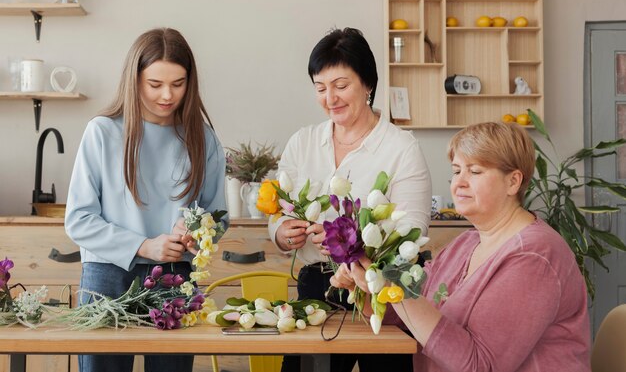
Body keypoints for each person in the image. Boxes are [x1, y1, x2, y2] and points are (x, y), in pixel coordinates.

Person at [331, 121, 591, 372]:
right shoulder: (466, 244)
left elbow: (480, 365)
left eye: (475, 171)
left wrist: (393, 288)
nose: (459, 182)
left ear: (513, 182)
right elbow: (406, 317)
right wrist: (367, 288)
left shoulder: (535, 256)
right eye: (456, 171)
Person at [268, 27, 432, 372]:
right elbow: (278, 214)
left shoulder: (401, 148)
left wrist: (347, 247)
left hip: (380, 291)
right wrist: (284, 233)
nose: (331, 98)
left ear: (368, 84)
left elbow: (412, 234)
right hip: (317, 289)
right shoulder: (303, 142)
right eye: (320, 88)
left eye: (341, 86)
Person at [65, 27, 228, 372]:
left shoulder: (204, 140)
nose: (167, 95)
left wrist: (198, 233)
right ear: (134, 80)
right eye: (155, 84)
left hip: (176, 277)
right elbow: (78, 219)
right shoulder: (103, 132)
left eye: (178, 83)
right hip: (107, 276)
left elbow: (217, 214)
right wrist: (143, 245)